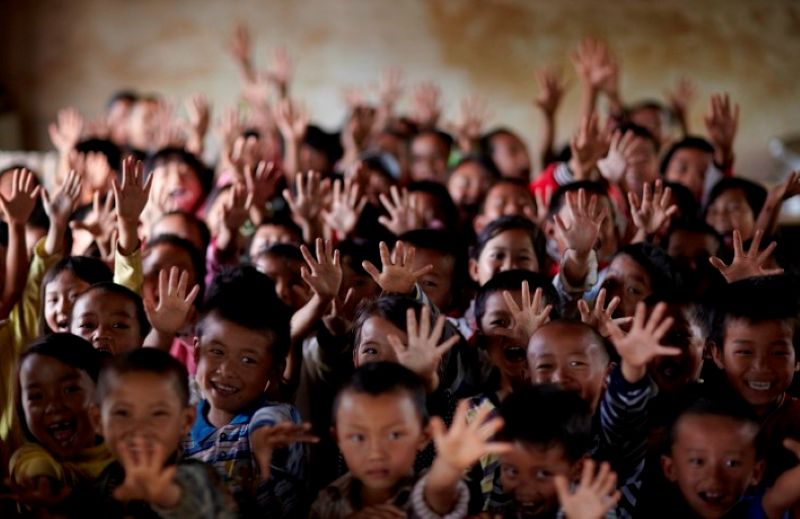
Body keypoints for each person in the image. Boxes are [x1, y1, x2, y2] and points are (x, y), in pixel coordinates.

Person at [181, 265, 311, 517]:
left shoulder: (277, 417)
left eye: (248, 360)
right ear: (196, 351)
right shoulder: (180, 421)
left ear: (275, 370)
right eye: (217, 352)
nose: (227, 370)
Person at [93, 348, 239, 518]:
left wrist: (169, 498)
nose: (140, 428)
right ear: (98, 421)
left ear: (186, 421)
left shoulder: (201, 478)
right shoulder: (99, 486)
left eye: (158, 414)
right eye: (122, 413)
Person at [310, 362, 434, 517]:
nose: (376, 454)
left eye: (394, 435)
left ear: (424, 436)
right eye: (358, 437)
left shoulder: (434, 494)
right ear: (338, 439)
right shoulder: (327, 501)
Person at [8, 334, 110, 516]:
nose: (54, 406)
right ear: (21, 408)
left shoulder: (127, 452)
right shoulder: (30, 456)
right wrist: (42, 482)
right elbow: (35, 465)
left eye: (70, 389)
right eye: (36, 396)